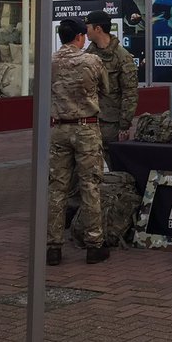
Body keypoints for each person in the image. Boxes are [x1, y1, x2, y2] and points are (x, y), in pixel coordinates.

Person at [47, 17, 112, 266]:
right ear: (79, 37)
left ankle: (53, 246)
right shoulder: (91, 60)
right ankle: (94, 244)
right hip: (86, 129)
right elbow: (105, 89)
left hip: (59, 129)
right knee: (90, 186)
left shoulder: (49, 61)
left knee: (57, 188)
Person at [85, 10, 138, 148]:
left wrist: (124, 126)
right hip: (89, 121)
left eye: (88, 27)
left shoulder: (122, 57)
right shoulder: (87, 56)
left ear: (98, 29)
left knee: (115, 165)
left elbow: (130, 94)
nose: (86, 31)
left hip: (111, 125)